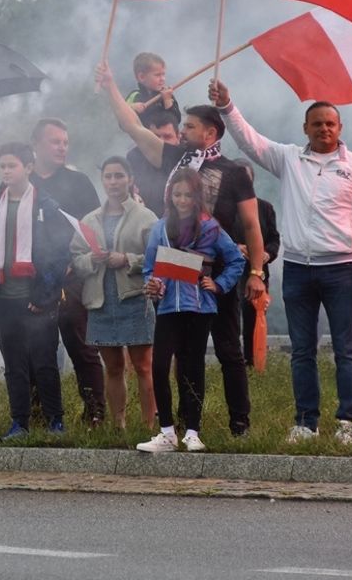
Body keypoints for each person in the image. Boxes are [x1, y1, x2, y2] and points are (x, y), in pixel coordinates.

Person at [208, 79, 352, 445]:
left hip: (340, 268)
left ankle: (347, 422)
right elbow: (250, 141)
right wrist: (227, 105)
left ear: (340, 128)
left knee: (345, 347)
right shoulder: (290, 158)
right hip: (298, 269)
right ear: (305, 128)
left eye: (330, 124)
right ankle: (306, 422)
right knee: (301, 349)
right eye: (317, 123)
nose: (324, 129)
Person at [97, 61, 266, 436]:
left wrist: (255, 273)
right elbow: (132, 126)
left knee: (227, 349)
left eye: (188, 126)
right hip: (174, 270)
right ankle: (184, 427)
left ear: (210, 132)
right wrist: (110, 86)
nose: (181, 130)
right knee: (182, 353)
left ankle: (240, 423)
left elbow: (252, 225)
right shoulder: (175, 158)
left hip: (215, 270)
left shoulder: (235, 172)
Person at [0, 142, 74, 439]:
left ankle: (55, 420)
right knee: (14, 365)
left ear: (28, 167)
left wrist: (45, 296)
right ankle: (20, 422)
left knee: (44, 362)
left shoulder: (46, 205)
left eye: (12, 165)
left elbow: (58, 253)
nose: (6, 171)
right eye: (2, 166)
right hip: (4, 300)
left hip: (37, 301)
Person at [138, 168, 245, 453]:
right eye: (177, 195)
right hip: (168, 307)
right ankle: (167, 432)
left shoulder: (211, 228)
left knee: (192, 367)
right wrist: (153, 284)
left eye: (187, 195)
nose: (182, 200)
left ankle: (193, 432)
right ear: (169, 196)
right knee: (159, 366)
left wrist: (219, 284)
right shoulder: (160, 228)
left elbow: (236, 260)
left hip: (199, 307)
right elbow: (150, 267)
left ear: (197, 197)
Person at [72, 156, 158, 429]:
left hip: (133, 298)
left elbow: (157, 258)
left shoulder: (146, 217)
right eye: (108, 176)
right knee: (113, 367)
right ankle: (118, 425)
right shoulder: (89, 220)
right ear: (102, 180)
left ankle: (149, 426)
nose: (113, 182)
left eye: (119, 176)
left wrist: (128, 260)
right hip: (100, 301)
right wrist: (91, 260)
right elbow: (76, 259)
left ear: (130, 179)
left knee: (143, 366)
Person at [29, 117, 105, 424]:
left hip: (72, 276)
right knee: (37, 348)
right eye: (55, 141)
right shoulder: (24, 182)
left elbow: (96, 227)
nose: (62, 147)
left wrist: (80, 262)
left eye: (65, 142)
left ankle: (95, 413)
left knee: (81, 346)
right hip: (32, 279)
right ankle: (42, 412)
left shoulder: (78, 182)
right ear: (36, 145)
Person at [233, 159, 281, 367]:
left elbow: (274, 239)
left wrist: (267, 254)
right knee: (231, 316)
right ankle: (233, 360)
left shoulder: (265, 207)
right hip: (230, 270)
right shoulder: (223, 209)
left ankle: (254, 363)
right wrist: (235, 246)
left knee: (254, 315)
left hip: (257, 271)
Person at [126, 109, 181, 217]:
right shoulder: (134, 157)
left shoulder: (189, 157)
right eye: (155, 137)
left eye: (167, 137)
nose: (161, 142)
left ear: (178, 138)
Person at [125, 52, 182, 128]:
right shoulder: (135, 95)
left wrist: (167, 101)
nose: (163, 79)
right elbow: (122, 121)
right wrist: (131, 108)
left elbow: (176, 120)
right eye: (157, 75)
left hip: (164, 139)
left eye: (163, 74)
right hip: (143, 138)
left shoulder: (167, 95)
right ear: (141, 77)